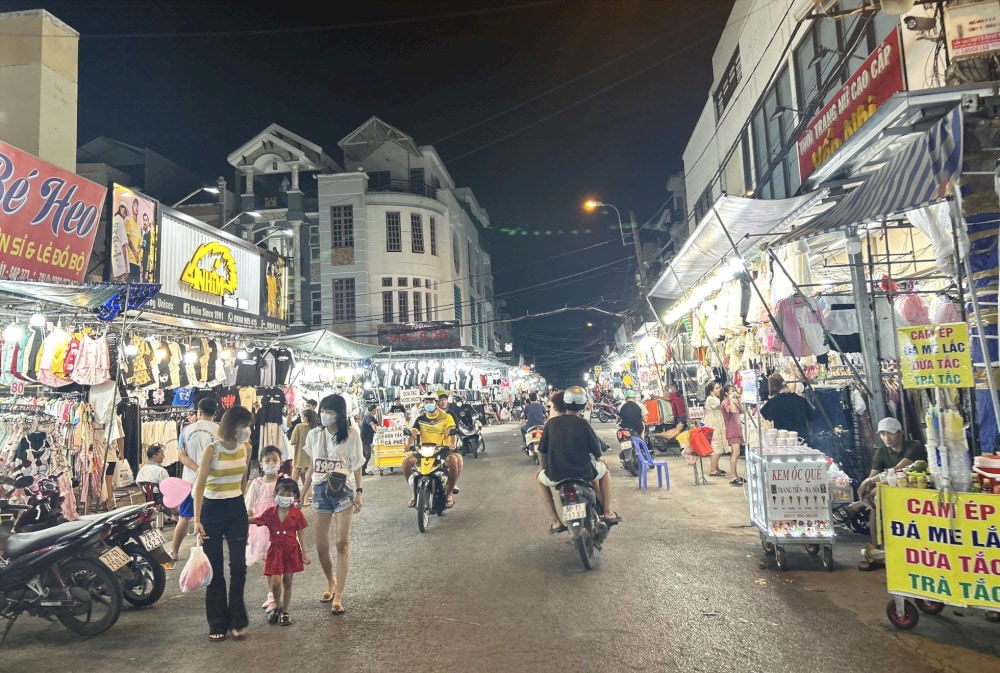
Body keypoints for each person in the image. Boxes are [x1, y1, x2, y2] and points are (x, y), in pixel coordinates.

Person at [192, 405, 253, 642]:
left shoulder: (245, 448)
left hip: (236, 509)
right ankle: (217, 621)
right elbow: (199, 486)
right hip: (212, 510)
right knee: (215, 568)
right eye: (244, 425)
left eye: (249, 426)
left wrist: (241, 501)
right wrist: (197, 520)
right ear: (232, 425)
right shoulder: (212, 450)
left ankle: (238, 619)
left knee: (239, 567)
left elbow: (244, 478)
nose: (247, 430)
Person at [302, 394, 364, 615]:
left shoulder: (351, 435)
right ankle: (331, 581)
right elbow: (311, 466)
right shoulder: (314, 435)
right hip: (319, 491)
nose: (324, 415)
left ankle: (339, 595)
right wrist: (303, 492)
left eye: (329, 411)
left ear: (339, 413)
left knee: (341, 543)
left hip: (343, 490)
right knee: (321, 546)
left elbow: (357, 465)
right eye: (323, 411)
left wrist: (359, 491)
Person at [536, 386, 620, 533]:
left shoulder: (551, 424)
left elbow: (542, 451)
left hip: (556, 474)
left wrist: (543, 468)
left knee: (539, 480)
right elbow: (596, 451)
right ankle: (607, 512)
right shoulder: (583, 424)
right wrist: (600, 460)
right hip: (583, 473)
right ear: (583, 405)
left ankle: (556, 521)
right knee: (605, 472)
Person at [847, 417, 927, 571]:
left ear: (901, 433)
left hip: (914, 489)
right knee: (874, 501)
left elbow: (897, 470)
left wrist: (866, 482)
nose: (886, 438)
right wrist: (866, 489)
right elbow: (874, 476)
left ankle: (856, 507)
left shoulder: (914, 447)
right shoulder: (882, 451)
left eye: (890, 434)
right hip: (889, 490)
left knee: (877, 490)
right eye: (883, 434)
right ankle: (875, 550)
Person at [249, 477, 310, 627]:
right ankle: (276, 605)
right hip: (275, 550)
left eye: (290, 494)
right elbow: (255, 520)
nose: (286, 496)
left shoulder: (296, 513)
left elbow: (301, 532)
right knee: (276, 583)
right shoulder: (270, 512)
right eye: (283, 493)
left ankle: (285, 611)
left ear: (295, 497)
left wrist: (304, 552)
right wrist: (236, 517)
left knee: (287, 581)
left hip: (291, 550)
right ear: (275, 494)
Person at [172, 398, 219, 561]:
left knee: (184, 518)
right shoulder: (220, 430)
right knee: (210, 518)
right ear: (215, 412)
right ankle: (208, 554)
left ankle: (174, 551)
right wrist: (204, 471)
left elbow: (181, 455)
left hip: (190, 481)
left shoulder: (186, 430)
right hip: (212, 481)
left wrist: (197, 469)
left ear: (199, 412)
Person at [403, 393, 459, 508]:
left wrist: (452, 444)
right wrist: (408, 444)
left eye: (431, 401)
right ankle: (415, 494)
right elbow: (413, 433)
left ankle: (449, 494)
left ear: (436, 403)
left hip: (442, 450)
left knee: (453, 461)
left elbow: (452, 431)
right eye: (426, 402)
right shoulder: (420, 419)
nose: (429, 404)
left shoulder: (446, 417)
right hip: (424, 450)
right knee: (406, 462)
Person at [245, 445, 281, 612]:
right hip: (261, 531)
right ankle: (271, 594)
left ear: (280, 462)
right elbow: (249, 509)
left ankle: (277, 597)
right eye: (267, 461)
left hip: (279, 530)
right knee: (268, 564)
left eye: (275, 460)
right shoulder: (256, 484)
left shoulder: (283, 482)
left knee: (277, 564)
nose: (271, 463)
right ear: (261, 463)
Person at [759, 373, 812, 442]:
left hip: (783, 441)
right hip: (802, 439)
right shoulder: (801, 400)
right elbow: (812, 416)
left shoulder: (773, 403)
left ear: (771, 387)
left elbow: (765, 415)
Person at [703, 382, 729, 477]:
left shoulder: (714, 399)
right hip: (713, 425)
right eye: (717, 388)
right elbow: (723, 404)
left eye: (719, 388)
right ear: (711, 391)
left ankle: (716, 467)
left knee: (716, 446)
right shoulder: (712, 399)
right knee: (716, 447)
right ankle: (713, 469)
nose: (719, 390)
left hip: (716, 424)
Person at [721, 384, 744, 486]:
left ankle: (736, 475)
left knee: (735, 454)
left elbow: (742, 411)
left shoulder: (733, 402)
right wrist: (730, 399)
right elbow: (733, 411)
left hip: (738, 430)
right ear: (726, 393)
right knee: (736, 453)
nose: (733, 392)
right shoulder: (725, 403)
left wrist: (738, 399)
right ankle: (733, 476)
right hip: (732, 431)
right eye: (731, 391)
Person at [102, 415, 126, 510]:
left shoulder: (95, 415)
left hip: (98, 454)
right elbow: (121, 437)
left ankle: (106, 501)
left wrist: (121, 452)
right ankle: (109, 502)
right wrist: (121, 452)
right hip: (110, 454)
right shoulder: (116, 418)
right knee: (108, 480)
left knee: (103, 481)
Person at [290, 409, 318, 485]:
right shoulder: (316, 428)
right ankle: (308, 496)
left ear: (305, 417)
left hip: (299, 456)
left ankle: (293, 495)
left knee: (294, 480)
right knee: (308, 481)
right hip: (311, 457)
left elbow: (293, 441)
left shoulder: (299, 427)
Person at [110, 203, 130, 280]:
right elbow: (124, 244)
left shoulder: (113, 220)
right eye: (125, 212)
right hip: (121, 255)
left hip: (114, 255)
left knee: (115, 280)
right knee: (123, 282)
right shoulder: (121, 221)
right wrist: (126, 267)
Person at [125, 198, 143, 282]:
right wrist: (134, 251)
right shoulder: (129, 220)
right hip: (130, 260)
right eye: (135, 206)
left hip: (137, 262)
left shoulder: (139, 228)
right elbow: (128, 238)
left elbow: (140, 244)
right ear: (132, 207)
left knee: (137, 287)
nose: (136, 208)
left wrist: (137, 251)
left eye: (137, 206)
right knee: (128, 285)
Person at [360, 403, 380, 475]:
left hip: (367, 439)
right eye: (375, 409)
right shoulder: (367, 416)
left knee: (364, 455)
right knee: (368, 455)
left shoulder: (371, 417)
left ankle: (362, 470)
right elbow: (372, 425)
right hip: (364, 439)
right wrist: (376, 431)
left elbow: (377, 423)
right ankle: (362, 469)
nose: (376, 411)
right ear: (373, 410)